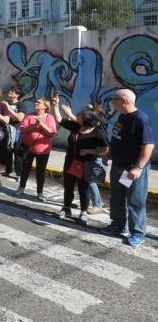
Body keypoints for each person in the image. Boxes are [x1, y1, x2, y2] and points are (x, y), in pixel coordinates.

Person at [102, 89, 155, 246]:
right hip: (119, 165)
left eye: (114, 99)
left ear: (124, 101)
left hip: (131, 169)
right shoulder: (122, 116)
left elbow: (149, 146)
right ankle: (118, 225)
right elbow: (117, 137)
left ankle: (138, 233)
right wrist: (108, 153)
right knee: (117, 198)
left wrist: (138, 167)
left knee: (135, 201)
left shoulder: (140, 119)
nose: (112, 102)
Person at [51, 97, 109, 225]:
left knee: (84, 189)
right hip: (70, 161)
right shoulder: (76, 127)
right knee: (68, 186)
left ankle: (83, 213)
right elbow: (59, 120)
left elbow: (105, 149)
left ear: (87, 119)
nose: (77, 116)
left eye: (80, 116)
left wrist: (89, 151)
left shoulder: (98, 132)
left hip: (86, 164)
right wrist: (55, 105)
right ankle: (66, 208)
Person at [14, 98, 57, 200]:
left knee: (41, 171)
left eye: (39, 102)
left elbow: (52, 132)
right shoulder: (29, 115)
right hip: (28, 147)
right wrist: (34, 125)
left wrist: (41, 124)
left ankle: (40, 192)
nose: (36, 103)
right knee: (25, 169)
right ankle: (21, 188)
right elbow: (23, 129)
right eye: (36, 102)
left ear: (45, 106)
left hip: (43, 149)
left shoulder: (50, 117)